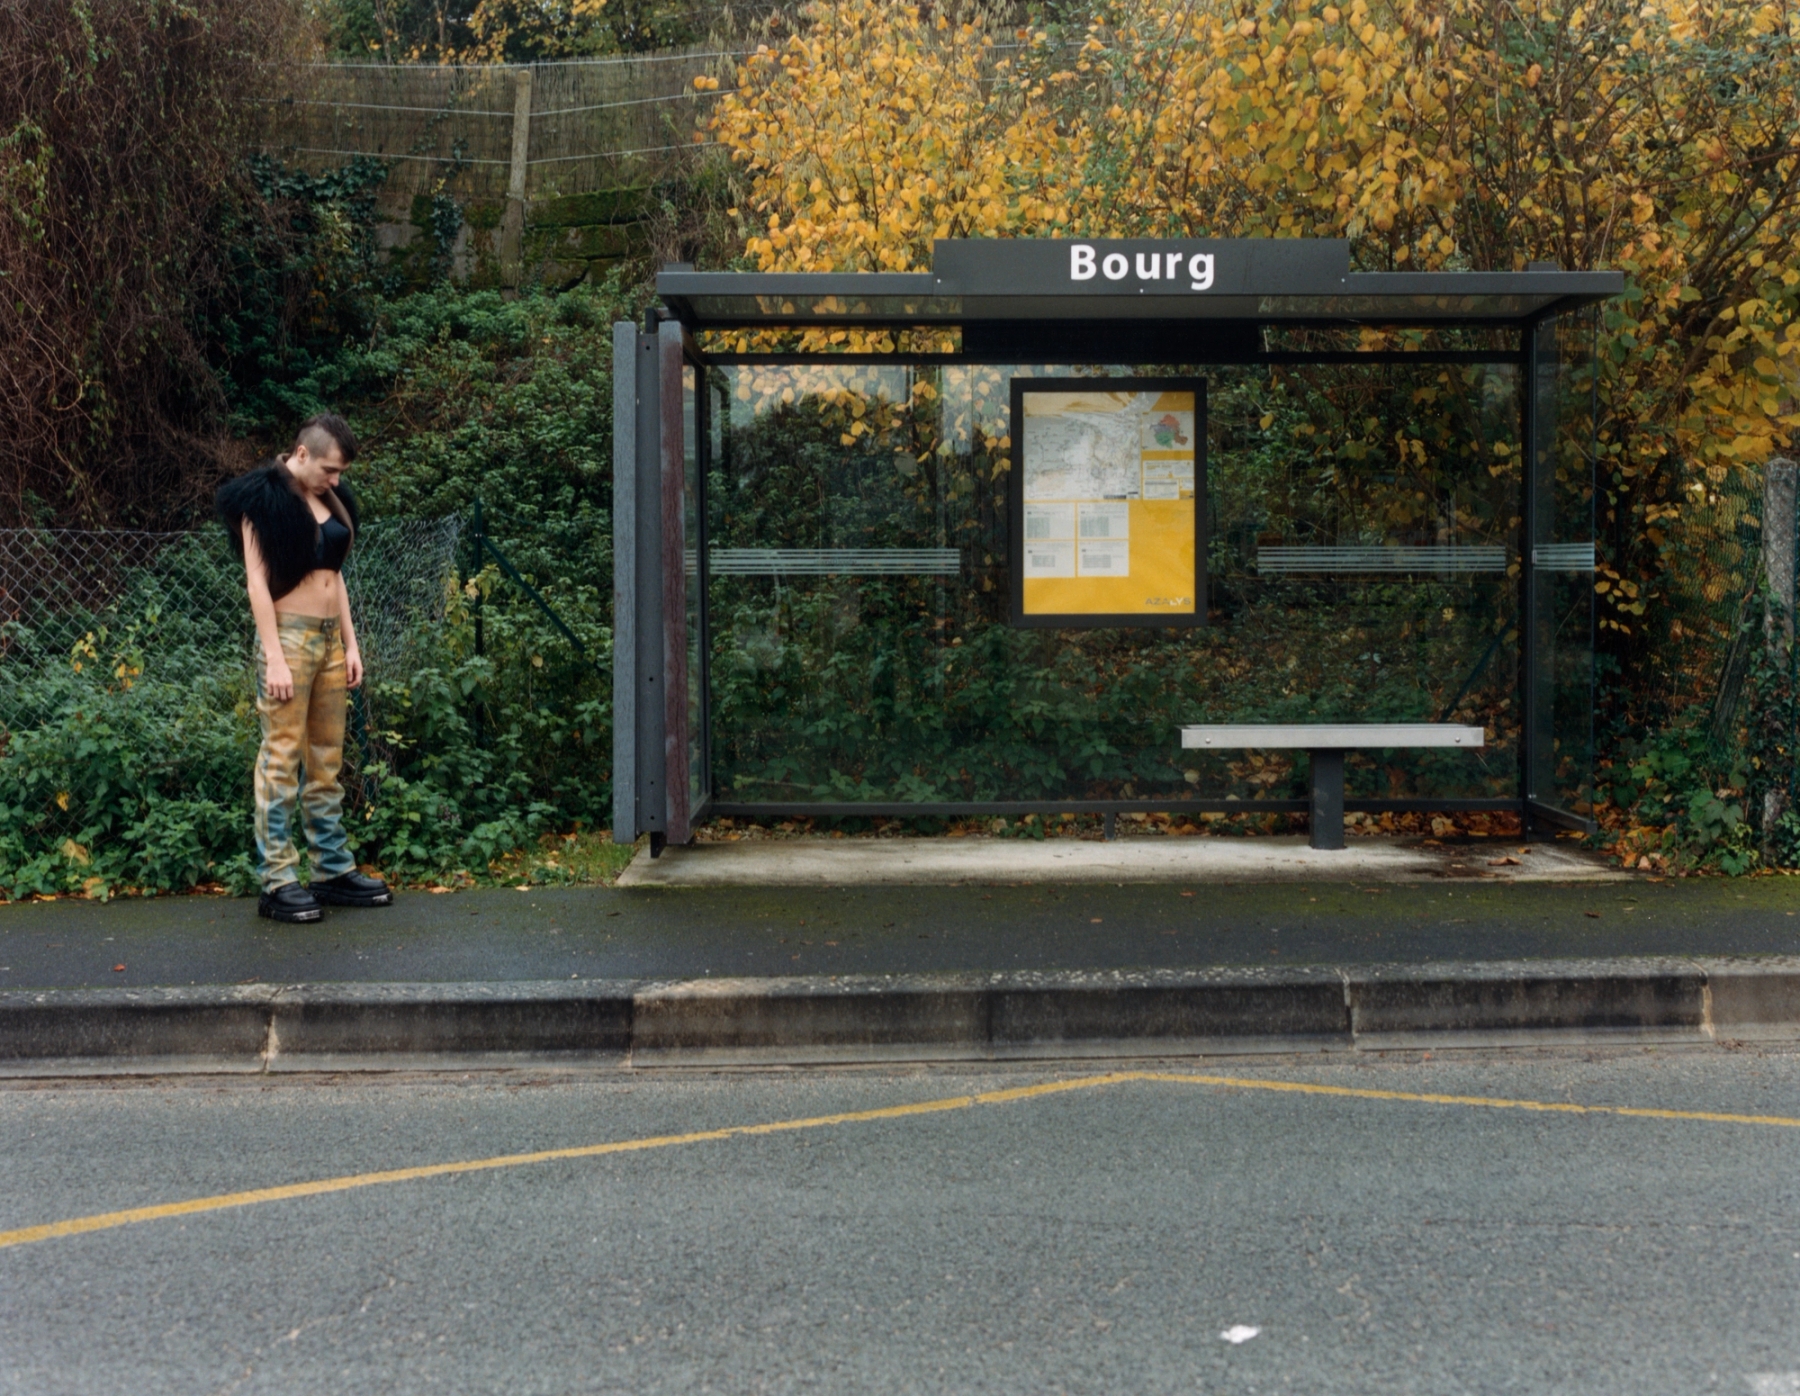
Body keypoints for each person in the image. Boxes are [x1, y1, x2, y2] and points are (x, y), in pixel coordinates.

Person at [216, 414, 394, 923]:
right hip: (288, 640)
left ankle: (332, 870)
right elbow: (256, 583)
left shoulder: (331, 501)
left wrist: (351, 643)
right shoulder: (262, 499)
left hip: (328, 642)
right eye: (330, 470)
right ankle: (277, 880)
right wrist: (273, 654)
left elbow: (334, 579)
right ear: (301, 453)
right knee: (282, 756)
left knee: (327, 759)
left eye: (340, 473)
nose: (337, 480)